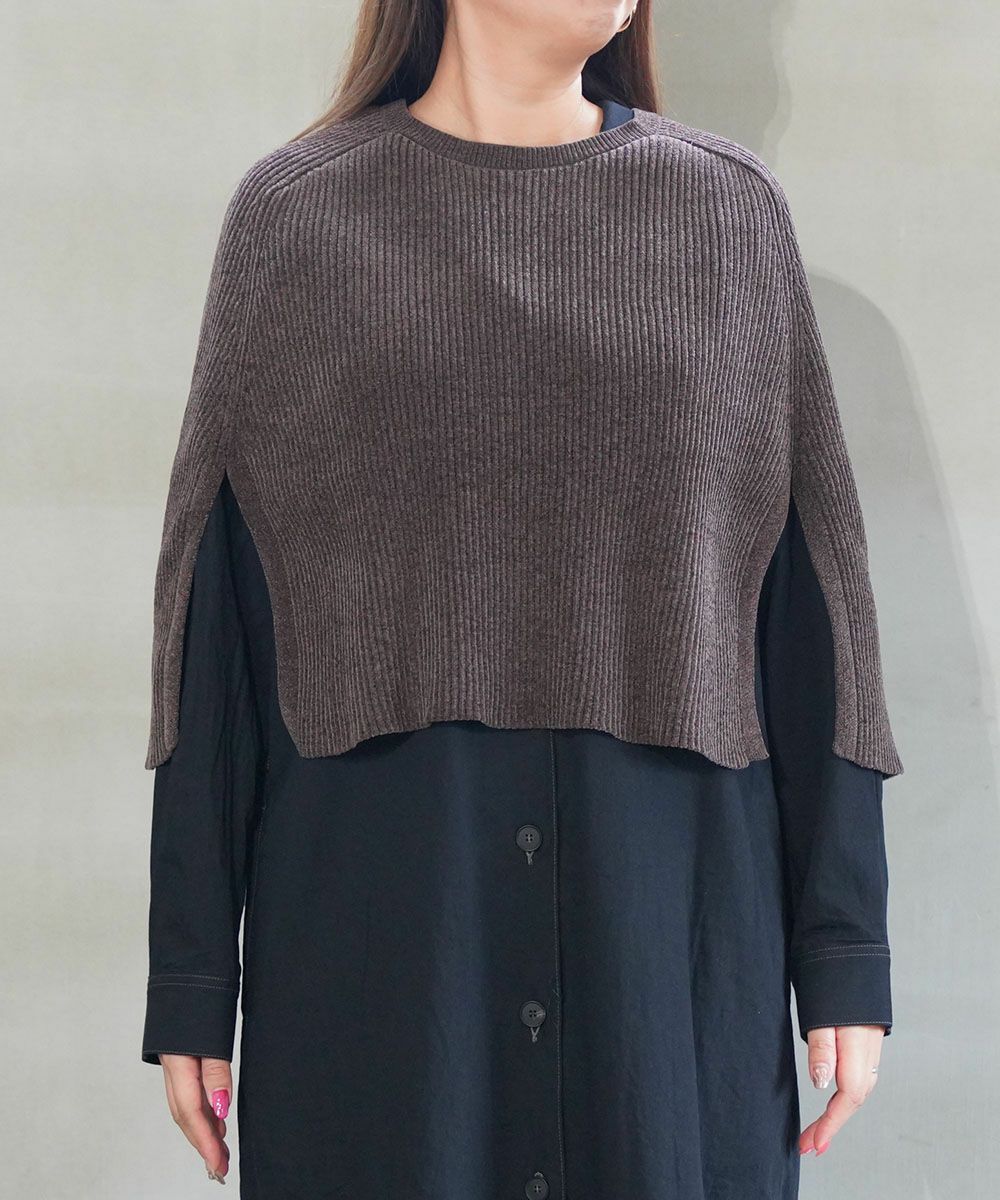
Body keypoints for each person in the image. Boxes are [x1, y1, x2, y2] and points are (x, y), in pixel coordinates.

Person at [140, 2, 904, 1196]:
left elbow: (816, 602)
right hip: (383, 959)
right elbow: (215, 612)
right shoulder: (298, 218)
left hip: (670, 949)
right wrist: (191, 972)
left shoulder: (728, 215)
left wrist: (843, 944)